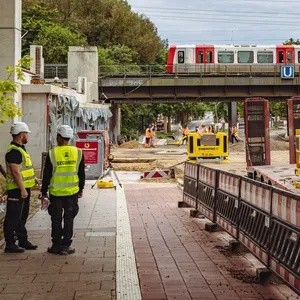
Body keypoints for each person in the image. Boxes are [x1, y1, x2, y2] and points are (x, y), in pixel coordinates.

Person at [41, 125, 85, 255]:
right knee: (69, 218)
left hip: (56, 193)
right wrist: (81, 189)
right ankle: (66, 246)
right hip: (72, 192)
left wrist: (44, 192)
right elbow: (81, 173)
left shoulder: (52, 153)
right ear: (70, 138)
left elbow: (47, 174)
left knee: (55, 218)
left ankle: (56, 245)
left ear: (59, 137)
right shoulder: (78, 152)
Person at [4, 122, 38, 253]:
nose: (27, 136)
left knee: (22, 216)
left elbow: (23, 169)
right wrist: (23, 189)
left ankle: (22, 240)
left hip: (24, 188)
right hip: (16, 190)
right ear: (21, 135)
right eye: (26, 134)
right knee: (13, 217)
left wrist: (33, 178)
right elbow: (15, 172)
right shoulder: (14, 151)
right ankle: (10, 244)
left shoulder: (20, 148)